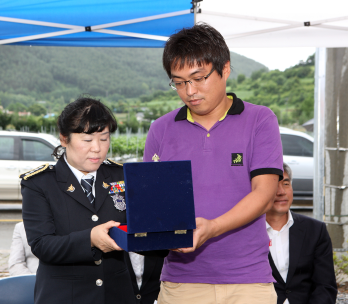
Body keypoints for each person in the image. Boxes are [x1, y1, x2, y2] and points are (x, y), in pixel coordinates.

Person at [144, 23, 283, 304]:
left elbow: (265, 194)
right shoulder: (161, 129)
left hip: (248, 281)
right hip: (181, 282)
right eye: (179, 82)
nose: (190, 90)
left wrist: (212, 227)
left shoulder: (259, 120)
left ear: (225, 69)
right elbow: (155, 204)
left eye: (199, 78)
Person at [21, 96, 136, 304]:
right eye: (87, 140)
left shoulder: (121, 176)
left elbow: (140, 229)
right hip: (65, 297)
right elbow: (42, 245)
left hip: (117, 295)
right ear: (64, 139)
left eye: (104, 138)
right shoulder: (39, 183)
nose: (97, 148)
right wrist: (89, 239)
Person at [266, 163, 337, 304]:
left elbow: (325, 285)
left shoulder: (315, 230)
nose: (281, 192)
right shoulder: (246, 233)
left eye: (286, 184)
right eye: (273, 185)